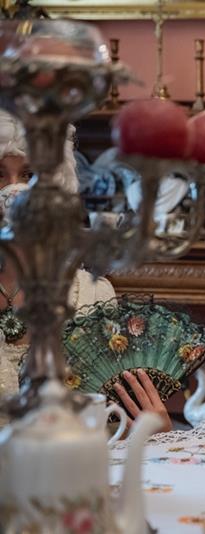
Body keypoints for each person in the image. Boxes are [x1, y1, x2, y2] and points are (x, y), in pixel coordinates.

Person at [0, 110, 172, 432]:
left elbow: (113, 424)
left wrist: (150, 429)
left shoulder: (92, 295)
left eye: (29, 175)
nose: (13, 192)